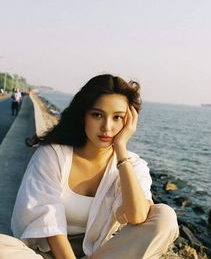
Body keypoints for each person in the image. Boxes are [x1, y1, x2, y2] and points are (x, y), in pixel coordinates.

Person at [0, 74, 179, 259]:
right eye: (97, 115)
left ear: (129, 122)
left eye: (117, 117)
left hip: (100, 254)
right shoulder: (54, 155)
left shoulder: (133, 165)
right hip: (45, 255)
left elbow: (137, 217)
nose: (107, 127)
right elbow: (50, 225)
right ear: (83, 115)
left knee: (165, 217)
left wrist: (120, 150)